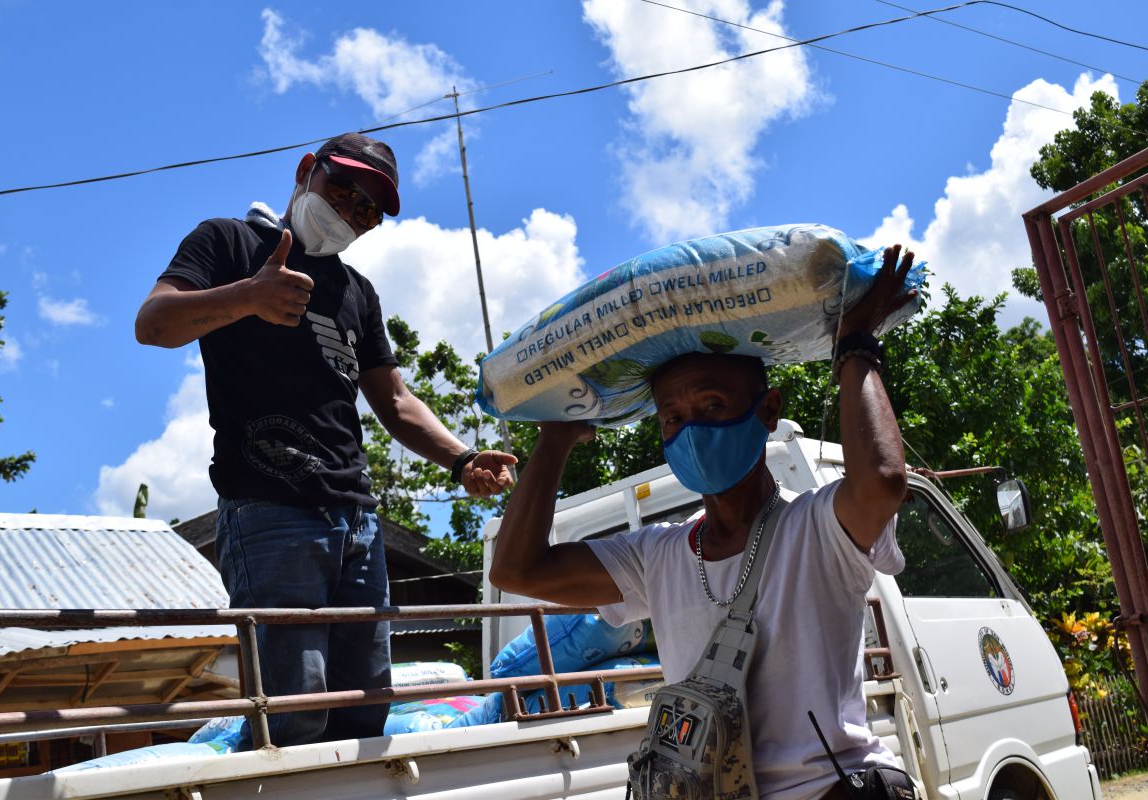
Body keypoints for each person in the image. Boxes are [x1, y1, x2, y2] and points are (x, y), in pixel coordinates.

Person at [489, 244, 916, 800]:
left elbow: (882, 482)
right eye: (673, 418)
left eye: (713, 406)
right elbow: (517, 570)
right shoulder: (657, 556)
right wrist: (556, 437)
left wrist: (855, 344)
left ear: (768, 411)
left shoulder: (817, 528)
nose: (691, 431)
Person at [135, 132, 517, 746]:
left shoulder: (357, 293)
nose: (351, 212)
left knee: (366, 708)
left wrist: (462, 458)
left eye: (369, 210)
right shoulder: (229, 242)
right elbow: (153, 323)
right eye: (342, 190)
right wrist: (249, 297)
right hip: (269, 512)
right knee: (295, 712)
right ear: (306, 170)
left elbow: (394, 400)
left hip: (357, 520)